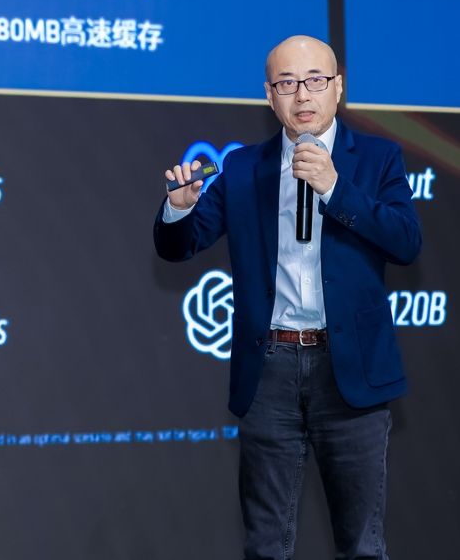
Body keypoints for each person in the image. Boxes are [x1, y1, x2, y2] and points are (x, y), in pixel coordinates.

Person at [153, 35, 421, 560]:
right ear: (269, 96)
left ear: (338, 87)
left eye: (315, 80)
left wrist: (335, 188)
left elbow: (406, 243)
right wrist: (179, 208)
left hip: (350, 371)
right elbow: (177, 247)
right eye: (287, 83)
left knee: (362, 546)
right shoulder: (241, 168)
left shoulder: (378, 158)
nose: (302, 95)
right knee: (265, 545)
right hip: (269, 370)